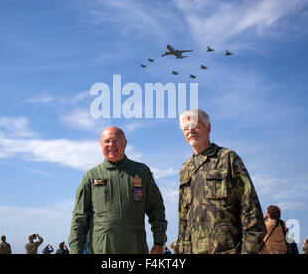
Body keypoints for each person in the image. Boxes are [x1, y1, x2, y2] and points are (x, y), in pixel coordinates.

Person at [177, 109, 266, 254]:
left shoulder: (227, 158)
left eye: (195, 125)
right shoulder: (185, 169)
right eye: (186, 128)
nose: (190, 131)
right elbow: (183, 220)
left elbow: (251, 210)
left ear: (208, 127)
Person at [69, 126, 168, 254]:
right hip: (102, 248)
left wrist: (159, 242)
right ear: (101, 145)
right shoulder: (91, 176)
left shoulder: (141, 172)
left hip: (136, 247)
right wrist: (75, 251)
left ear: (125, 143)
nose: (111, 145)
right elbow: (79, 217)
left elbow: (156, 209)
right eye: (107, 141)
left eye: (116, 141)